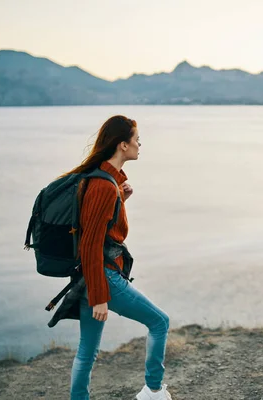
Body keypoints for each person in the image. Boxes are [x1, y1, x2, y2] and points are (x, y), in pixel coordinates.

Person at [65, 115, 172, 400]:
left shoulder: (107, 182)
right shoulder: (102, 186)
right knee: (160, 322)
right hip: (103, 277)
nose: (140, 144)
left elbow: (100, 228)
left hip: (90, 276)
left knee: (86, 352)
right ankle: (153, 391)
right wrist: (100, 295)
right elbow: (90, 244)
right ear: (123, 145)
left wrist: (120, 199)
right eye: (137, 139)